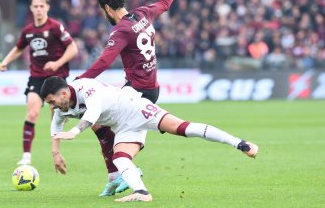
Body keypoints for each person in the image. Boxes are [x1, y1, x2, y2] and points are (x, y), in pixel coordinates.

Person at [40, 76, 259, 203]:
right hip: (122, 126)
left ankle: (241, 143)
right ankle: (142, 192)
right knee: (121, 158)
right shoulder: (62, 108)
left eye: (52, 101)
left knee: (182, 128)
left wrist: (75, 132)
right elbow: (55, 126)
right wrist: (56, 153)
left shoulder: (85, 87)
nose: (52, 106)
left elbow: (93, 112)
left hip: (135, 107)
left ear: (63, 94)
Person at [77, 0, 195, 196]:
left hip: (136, 93)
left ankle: (123, 173)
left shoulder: (121, 31)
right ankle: (115, 176)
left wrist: (80, 81)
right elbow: (165, 3)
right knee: (99, 121)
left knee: (97, 120)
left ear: (108, 8)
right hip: (150, 89)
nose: (104, 15)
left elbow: (104, 61)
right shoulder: (142, 14)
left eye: (104, 11)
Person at [0, 0, 78, 165]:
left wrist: (57, 63)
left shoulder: (55, 27)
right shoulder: (27, 31)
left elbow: (73, 48)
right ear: (31, 8)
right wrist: (5, 61)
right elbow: (19, 48)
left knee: (55, 116)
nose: (38, 9)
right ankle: (26, 156)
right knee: (32, 112)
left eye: (41, 6)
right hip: (36, 77)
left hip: (56, 77)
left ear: (47, 7)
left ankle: (55, 152)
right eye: (35, 6)